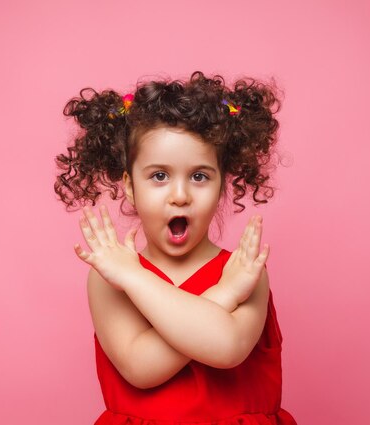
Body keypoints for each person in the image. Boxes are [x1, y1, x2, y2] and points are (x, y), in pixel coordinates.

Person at [54, 71, 297, 424]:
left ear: (222, 186)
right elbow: (140, 367)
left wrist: (228, 286)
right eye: (159, 176)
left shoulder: (244, 270)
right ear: (130, 186)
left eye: (199, 176)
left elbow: (226, 347)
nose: (180, 196)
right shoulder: (112, 279)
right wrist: (224, 295)